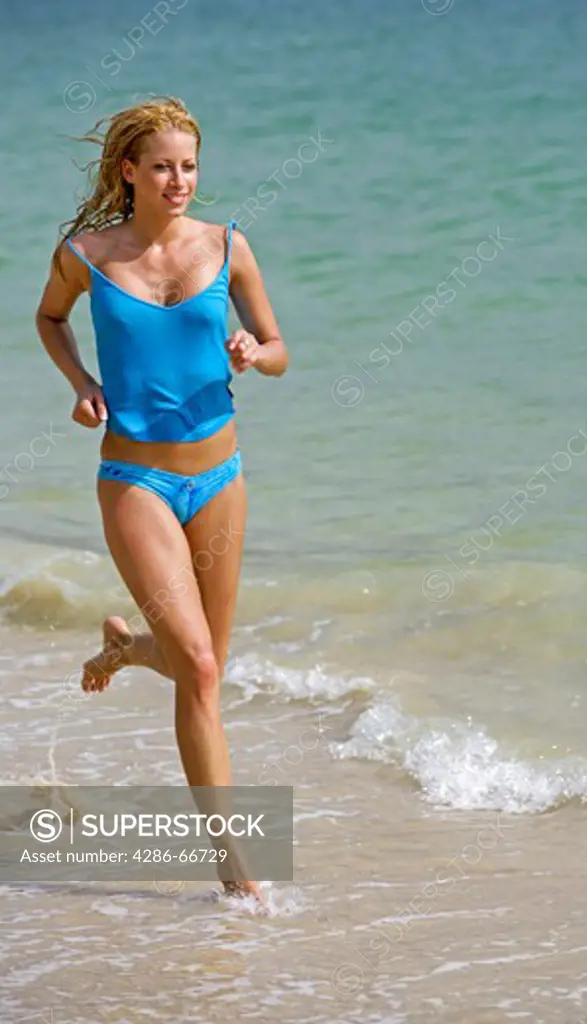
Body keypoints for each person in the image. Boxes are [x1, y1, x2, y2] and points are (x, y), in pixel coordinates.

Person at [35, 96, 288, 901]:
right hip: (135, 479)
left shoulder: (227, 246)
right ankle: (236, 875)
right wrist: (81, 383)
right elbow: (48, 317)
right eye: (163, 166)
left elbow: (281, 350)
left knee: (198, 666)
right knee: (204, 672)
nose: (179, 180)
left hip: (222, 476)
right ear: (129, 172)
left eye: (189, 165)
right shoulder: (88, 255)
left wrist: (256, 350)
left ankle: (127, 647)